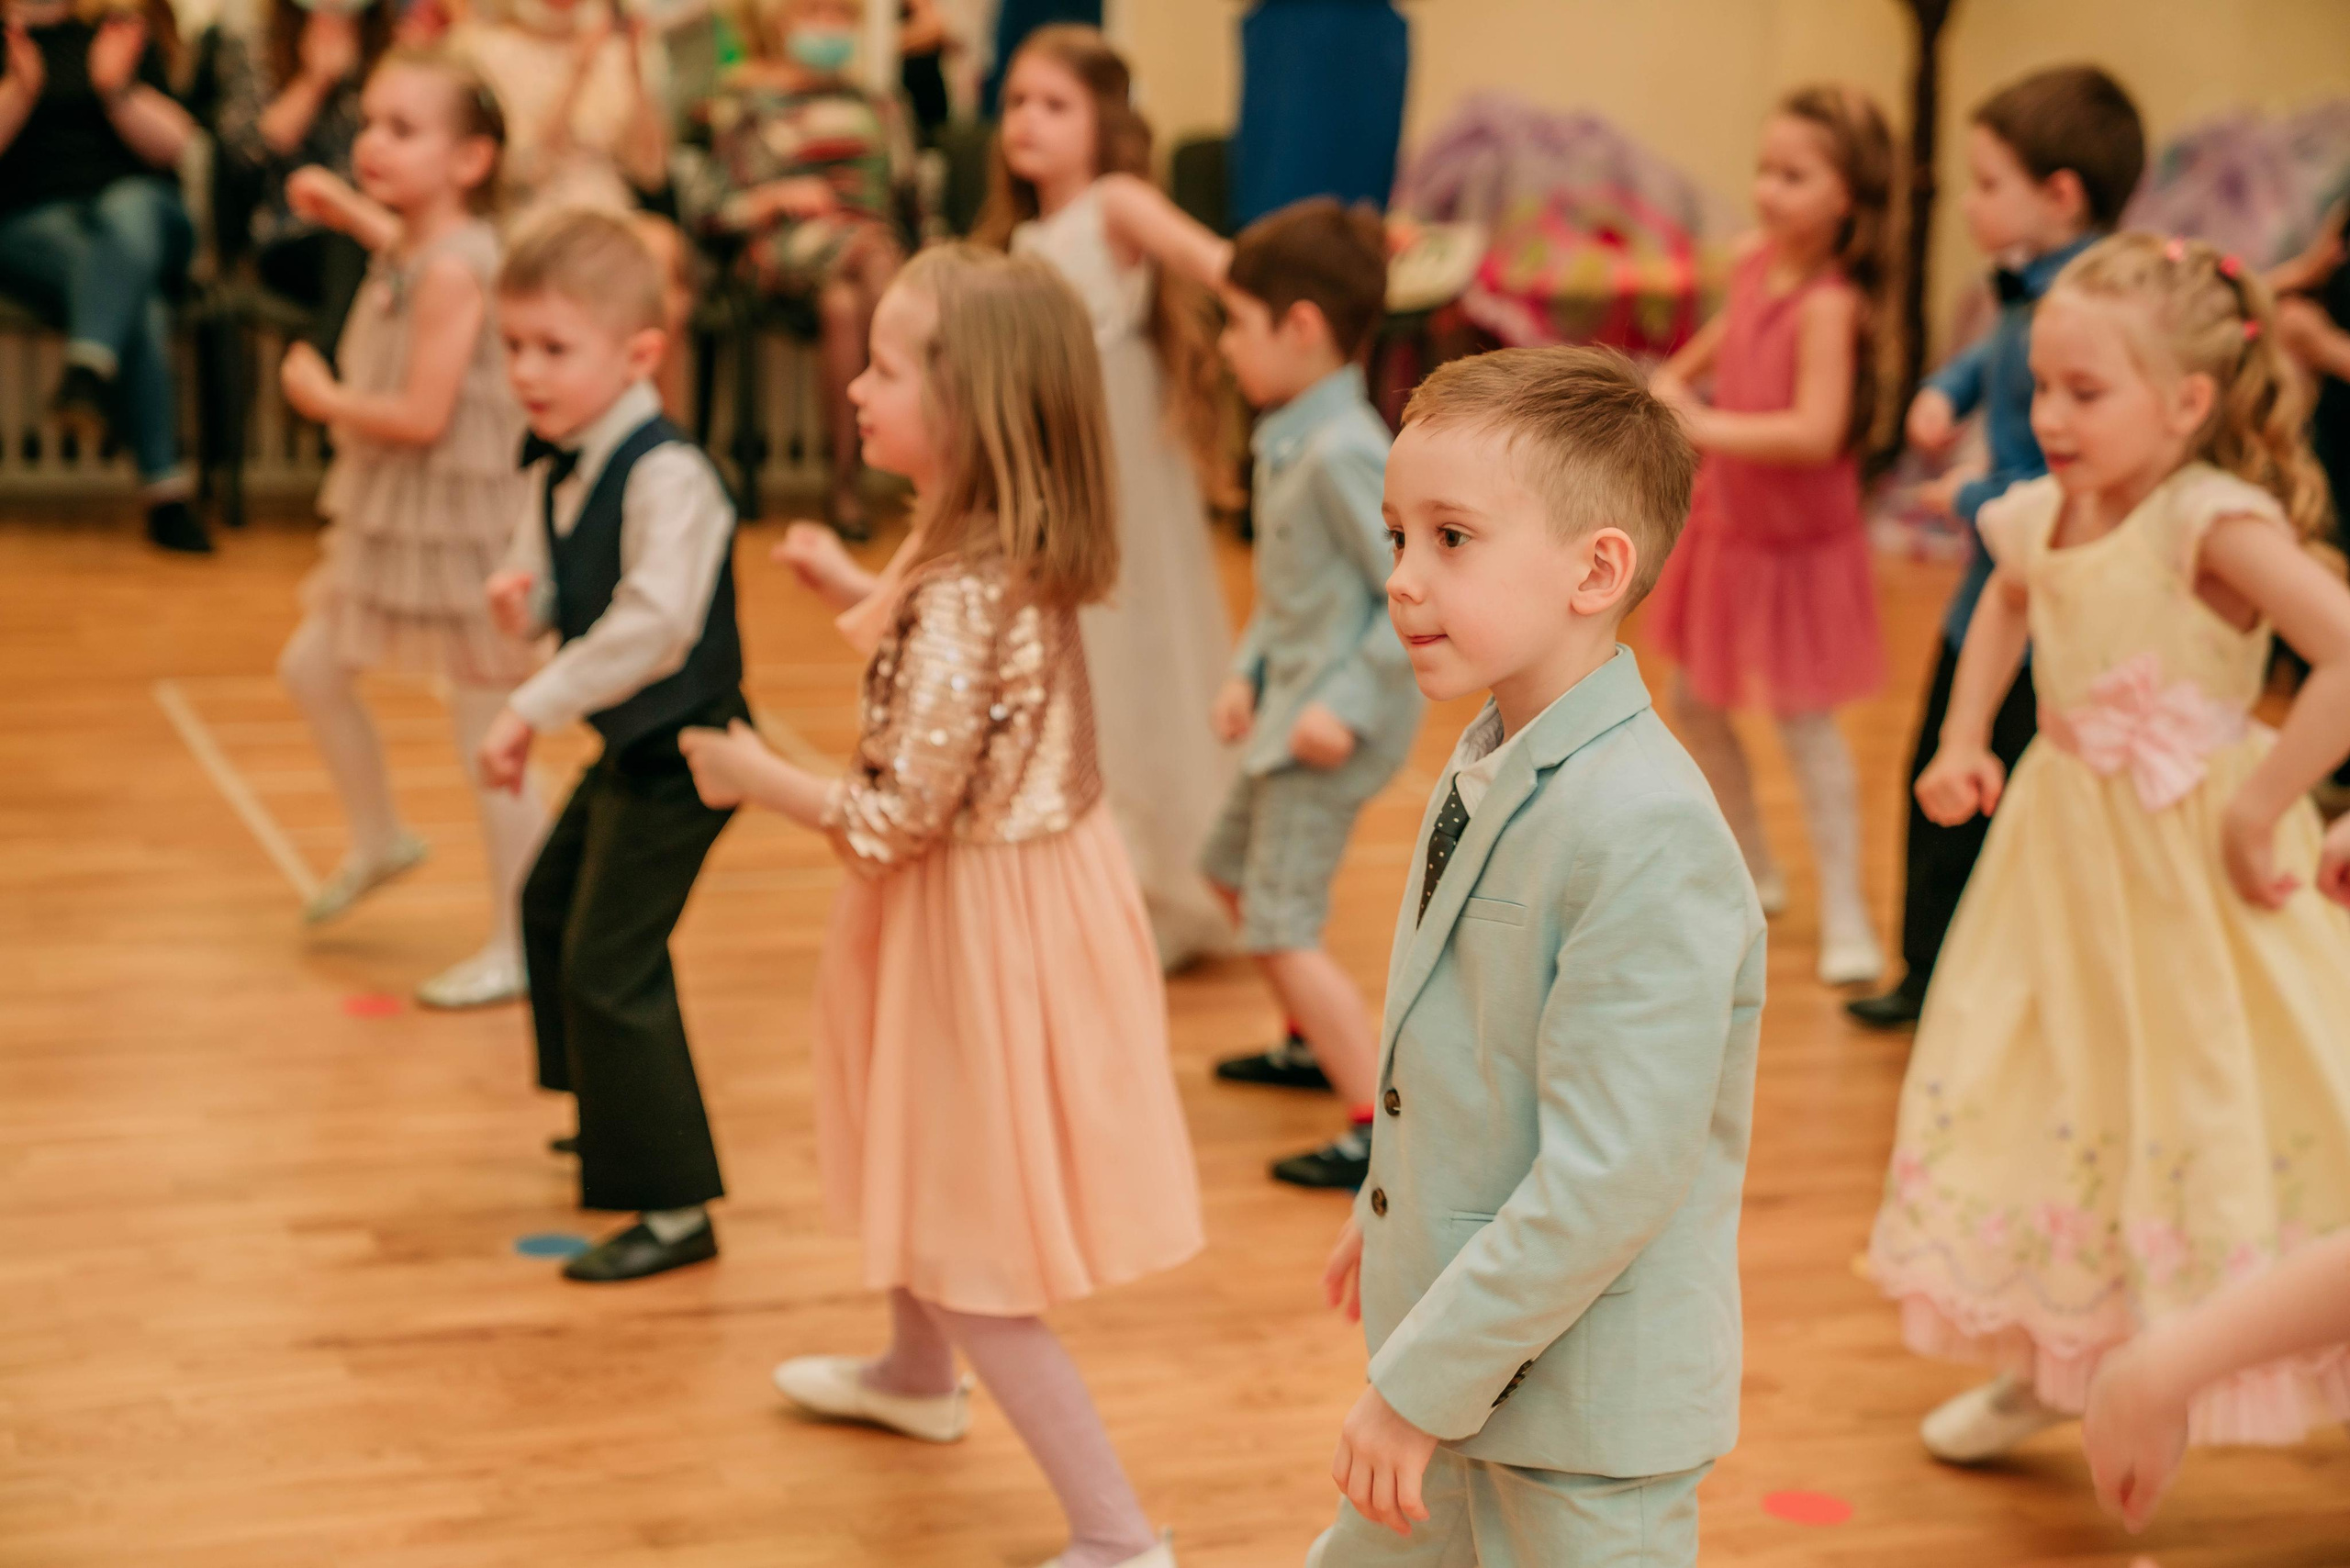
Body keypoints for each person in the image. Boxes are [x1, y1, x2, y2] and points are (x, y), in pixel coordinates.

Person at [676, 244, 1200, 1568]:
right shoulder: (982, 546)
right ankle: (915, 1378)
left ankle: (1118, 1534)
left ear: (972, 412)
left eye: (888, 366)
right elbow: (965, 663)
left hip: (977, 918)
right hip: (1001, 899)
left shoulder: (967, 583)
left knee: (973, 1233)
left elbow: (888, 815)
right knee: (923, 1144)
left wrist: (752, 777)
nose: (853, 386)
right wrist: (856, 590)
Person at [1866, 233, 2350, 1465]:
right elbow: (2012, 604)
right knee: (2058, 1093)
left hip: (2197, 878)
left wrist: (2261, 805)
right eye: (2040, 388)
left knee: (2211, 1099)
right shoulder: (2045, 510)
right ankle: (2056, 1355)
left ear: (2188, 401)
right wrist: (1967, 734)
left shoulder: (2214, 524)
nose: (2051, 418)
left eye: (2086, 393)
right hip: (2062, 861)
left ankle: (2217, 1347)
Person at [1312, 346, 1762, 1566]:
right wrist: (1390, 1199)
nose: (1402, 580)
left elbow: (1613, 1171)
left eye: (1449, 539)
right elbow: (1470, 1048)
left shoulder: (1646, 828)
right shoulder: (1488, 752)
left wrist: (1418, 1388)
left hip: (1577, 1426)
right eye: (1397, 536)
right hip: (1464, 1363)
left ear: (1595, 568)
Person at [474, 208, 745, 1282]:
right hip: (634, 748)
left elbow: (654, 623)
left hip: (692, 756)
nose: (527, 373)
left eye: (553, 349)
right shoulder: (560, 461)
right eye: (514, 347)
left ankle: (676, 1208)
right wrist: (528, 599)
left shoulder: (670, 473)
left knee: (612, 963)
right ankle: (606, 1109)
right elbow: (572, 594)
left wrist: (528, 704)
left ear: (639, 353)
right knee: (547, 908)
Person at [1846, 66, 2145, 1029]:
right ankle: (1931, 970)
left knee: (1990, 791)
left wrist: (1967, 493)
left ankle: (1961, 976)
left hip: (2038, 586)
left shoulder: (2096, 309)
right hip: (1990, 585)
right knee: (1944, 768)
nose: (1968, 201)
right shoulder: (2031, 295)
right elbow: (1991, 352)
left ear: (2058, 195)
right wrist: (1946, 388)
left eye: (1984, 182)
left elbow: (2080, 483)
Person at [273, 46, 544, 1012]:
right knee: (312, 665)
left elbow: (425, 415)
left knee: (490, 737)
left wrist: (323, 398)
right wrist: (351, 216)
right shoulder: (424, 246)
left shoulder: (455, 270)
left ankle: (525, 938)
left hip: (463, 533)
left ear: (468, 162)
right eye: (371, 123)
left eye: (402, 129)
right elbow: (409, 243)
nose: (372, 143)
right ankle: (380, 834)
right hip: (411, 523)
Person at [977, 22, 1237, 970]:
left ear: (1104, 122)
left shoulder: (1116, 205)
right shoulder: (1017, 236)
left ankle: (1146, 886)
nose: (1028, 123)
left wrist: (1302, 282)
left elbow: (1220, 265)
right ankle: (1082, 874)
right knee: (1064, 671)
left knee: (1128, 664)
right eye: (1015, 103)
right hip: (1046, 481)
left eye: (1054, 106)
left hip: (1117, 473)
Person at [1187, 199, 1423, 1192]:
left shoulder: (1345, 452)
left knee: (1278, 920)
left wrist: (1348, 706)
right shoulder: (1289, 436)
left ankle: (1379, 1118)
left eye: (1237, 325)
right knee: (1227, 865)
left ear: (1302, 328)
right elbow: (1292, 596)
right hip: (1286, 708)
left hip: (1327, 726)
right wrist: (1247, 672)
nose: (1225, 347)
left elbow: (1407, 596)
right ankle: (1302, 1038)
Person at [1647, 84, 1894, 988]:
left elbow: (1814, 432)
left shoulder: (1831, 305)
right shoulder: (1756, 265)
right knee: (1697, 702)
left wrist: (1697, 424)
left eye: (1794, 175)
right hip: (1731, 530)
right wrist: (1674, 376)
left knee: (1808, 732)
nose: (1769, 191)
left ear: (1847, 198)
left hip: (1799, 549)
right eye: (1765, 169)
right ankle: (1752, 860)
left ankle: (1848, 908)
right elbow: (1723, 334)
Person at [684, 0, 909, 537]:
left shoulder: (879, 104)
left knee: (844, 307)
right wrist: (774, 197)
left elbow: (906, 195)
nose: (827, 27)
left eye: (838, 16)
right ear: (781, 23)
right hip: (783, 247)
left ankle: (845, 490)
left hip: (858, 253)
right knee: (879, 258)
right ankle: (915, 424)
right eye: (814, 12)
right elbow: (709, 210)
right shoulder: (749, 104)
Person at [0, 0, 205, 552]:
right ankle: (165, 494)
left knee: (127, 210)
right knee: (135, 297)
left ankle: (89, 366)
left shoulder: (119, 32)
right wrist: (20, 93)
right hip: (31, 223)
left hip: (144, 213)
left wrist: (115, 90)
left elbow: (182, 145)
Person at [453, 0, 693, 412]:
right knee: (647, 260)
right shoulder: (483, 49)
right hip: (532, 212)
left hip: (608, 206)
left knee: (662, 258)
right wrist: (578, 72)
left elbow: (650, 171)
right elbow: (521, 172)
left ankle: (658, 434)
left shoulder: (627, 50)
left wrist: (635, 74)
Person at [210, 0, 394, 358]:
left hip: (386, 226)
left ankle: (330, 386)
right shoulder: (257, 44)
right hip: (295, 232)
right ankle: (326, 378)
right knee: (351, 253)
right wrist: (315, 81)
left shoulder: (393, 46)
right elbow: (244, 153)